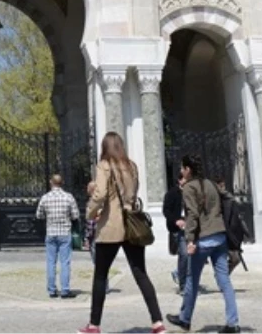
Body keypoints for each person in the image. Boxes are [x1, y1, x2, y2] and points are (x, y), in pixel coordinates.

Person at [75, 132, 166, 334]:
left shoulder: (104, 166)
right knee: (141, 274)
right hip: (132, 225)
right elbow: (135, 192)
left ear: (104, 147)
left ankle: (93, 325)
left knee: (100, 276)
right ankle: (158, 323)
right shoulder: (132, 166)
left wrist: (90, 212)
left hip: (111, 226)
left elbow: (99, 195)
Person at [167, 155, 239, 334]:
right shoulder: (211, 184)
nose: (181, 171)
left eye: (183, 168)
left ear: (188, 170)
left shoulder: (190, 188)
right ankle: (233, 323)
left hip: (203, 239)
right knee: (224, 280)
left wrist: (190, 239)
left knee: (192, 280)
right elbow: (228, 197)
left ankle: (185, 319)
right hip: (220, 236)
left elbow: (192, 215)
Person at [36, 173, 79, 298]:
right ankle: (65, 290)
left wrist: (48, 216)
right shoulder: (68, 197)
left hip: (51, 232)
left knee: (51, 262)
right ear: (62, 183)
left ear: (51, 182)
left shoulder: (45, 198)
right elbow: (75, 215)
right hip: (65, 232)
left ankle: (52, 290)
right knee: (65, 262)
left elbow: (39, 215)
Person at [163, 172, 187, 294]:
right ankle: (183, 285)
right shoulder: (172, 193)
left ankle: (179, 273)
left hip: (190, 227)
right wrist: (175, 220)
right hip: (178, 229)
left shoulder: (190, 192)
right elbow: (166, 210)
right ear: (179, 180)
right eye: (184, 179)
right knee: (184, 254)